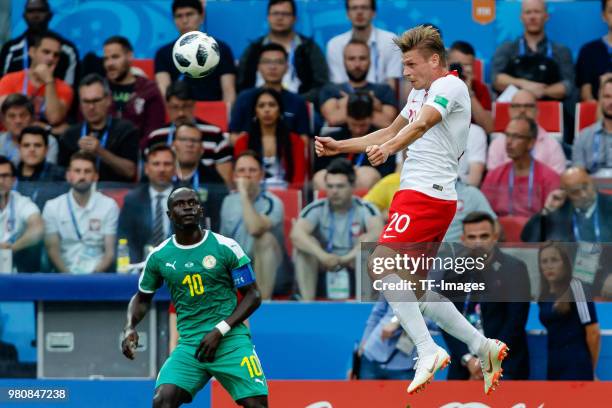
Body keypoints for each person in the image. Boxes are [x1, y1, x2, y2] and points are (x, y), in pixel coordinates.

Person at [315, 25, 508, 395]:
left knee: (380, 264)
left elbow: (423, 125)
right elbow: (389, 130)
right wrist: (340, 147)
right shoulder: (421, 92)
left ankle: (427, 349)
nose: (405, 71)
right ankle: (482, 346)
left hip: (424, 195)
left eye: (410, 63)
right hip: (429, 197)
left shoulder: (449, 86)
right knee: (416, 292)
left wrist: (390, 152)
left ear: (434, 60)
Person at [121, 187, 268, 408]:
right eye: (180, 204)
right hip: (190, 345)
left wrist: (220, 330)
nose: (188, 206)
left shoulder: (226, 247)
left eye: (193, 202)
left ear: (200, 210)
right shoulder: (159, 256)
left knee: (257, 405)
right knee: (162, 400)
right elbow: (143, 297)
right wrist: (130, 326)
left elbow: (254, 295)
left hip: (231, 341)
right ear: (170, 214)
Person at [440, 212, 530, 381]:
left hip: (505, 366)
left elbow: (515, 321)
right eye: (472, 237)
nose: (478, 242)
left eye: (484, 236)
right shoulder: (453, 272)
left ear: (495, 237)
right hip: (465, 367)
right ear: (463, 240)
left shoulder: (514, 269)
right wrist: (468, 359)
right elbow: (446, 321)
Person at [291, 158, 383, 300]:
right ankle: (307, 305)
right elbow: (296, 235)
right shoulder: (316, 208)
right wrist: (322, 255)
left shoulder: (366, 208)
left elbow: (378, 233)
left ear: (352, 187)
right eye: (330, 186)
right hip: (322, 267)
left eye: (340, 186)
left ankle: (365, 305)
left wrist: (349, 257)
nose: (334, 191)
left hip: (355, 267)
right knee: (305, 249)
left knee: (367, 246)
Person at [521, 167, 612, 294]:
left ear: (592, 182)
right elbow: (529, 239)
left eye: (586, 186)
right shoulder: (561, 211)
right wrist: (548, 209)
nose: (583, 194)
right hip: (571, 278)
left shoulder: (609, 205)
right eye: (575, 191)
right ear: (566, 193)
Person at [220, 151, 290, 299]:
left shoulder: (273, 202)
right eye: (241, 171)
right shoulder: (228, 202)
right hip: (238, 269)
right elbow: (223, 241)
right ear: (234, 176)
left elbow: (255, 229)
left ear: (262, 175)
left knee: (264, 239)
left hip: (270, 270)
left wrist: (244, 195)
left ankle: (262, 304)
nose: (246, 175)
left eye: (252, 170)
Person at [42, 151, 119, 274]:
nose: (82, 176)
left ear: (95, 176)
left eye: (87, 171)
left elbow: (109, 253)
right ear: (68, 176)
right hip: (63, 273)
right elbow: (53, 251)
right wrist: (69, 277)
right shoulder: (52, 207)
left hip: (98, 274)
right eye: (77, 171)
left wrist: (91, 277)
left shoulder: (109, 205)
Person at [237, 0, 328, 103]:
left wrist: (296, 102)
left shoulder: (309, 48)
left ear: (294, 19)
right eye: (275, 13)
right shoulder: (254, 49)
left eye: (285, 14)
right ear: (268, 17)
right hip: (259, 107)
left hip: (300, 106)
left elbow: (321, 85)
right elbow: (241, 85)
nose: (279, 18)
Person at [147, 81, 233, 187]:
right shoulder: (156, 137)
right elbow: (148, 178)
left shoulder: (215, 135)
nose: (181, 113)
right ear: (167, 107)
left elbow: (223, 185)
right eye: (175, 107)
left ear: (194, 106)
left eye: (186, 107)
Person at [58, 74, 138, 182]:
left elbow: (130, 172)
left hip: (115, 193)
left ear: (108, 100)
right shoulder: (70, 135)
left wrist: (100, 151)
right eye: (86, 101)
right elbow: (61, 176)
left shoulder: (125, 130)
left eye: (96, 101)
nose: (91, 107)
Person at [538, 242, 601, 380]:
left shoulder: (577, 288)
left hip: (577, 368)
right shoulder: (544, 295)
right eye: (544, 261)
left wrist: (591, 369)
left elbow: (593, 332)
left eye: (554, 260)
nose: (549, 266)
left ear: (565, 263)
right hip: (553, 367)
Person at [154, 0, 236, 103]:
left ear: (201, 17)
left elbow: (228, 91)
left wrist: (226, 117)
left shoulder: (221, 49)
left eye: (189, 14)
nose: (184, 21)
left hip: (214, 112)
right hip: (180, 112)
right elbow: (164, 92)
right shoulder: (163, 54)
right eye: (179, 16)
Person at [491, 0, 574, 102]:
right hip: (514, 111)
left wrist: (543, 91)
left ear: (546, 16)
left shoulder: (562, 51)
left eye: (537, 12)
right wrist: (524, 84)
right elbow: (496, 79)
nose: (532, 17)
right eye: (528, 12)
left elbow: (568, 85)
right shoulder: (506, 49)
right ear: (521, 17)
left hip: (550, 111)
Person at [230, 43, 310, 144]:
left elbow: (304, 140)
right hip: (251, 154)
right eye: (267, 62)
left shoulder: (297, 101)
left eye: (279, 62)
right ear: (258, 67)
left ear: (287, 67)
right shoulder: (244, 98)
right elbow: (233, 137)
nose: (272, 67)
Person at [481, 117, 560, 217]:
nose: (509, 142)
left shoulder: (549, 178)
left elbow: (553, 217)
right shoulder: (494, 175)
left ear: (531, 142)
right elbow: (484, 213)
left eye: (516, 136)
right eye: (507, 135)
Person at [315, 92, 392, 190]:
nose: (358, 130)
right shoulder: (332, 138)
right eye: (354, 124)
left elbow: (386, 173)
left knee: (368, 176)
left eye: (363, 125)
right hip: (335, 181)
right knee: (319, 177)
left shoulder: (383, 141)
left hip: (367, 187)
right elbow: (320, 167)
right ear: (346, 117)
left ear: (371, 118)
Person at [233, 88, 306, 188]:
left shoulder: (296, 141)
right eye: (261, 106)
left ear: (280, 110)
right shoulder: (242, 142)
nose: (267, 110)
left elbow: (299, 179)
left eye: (272, 105)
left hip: (287, 194)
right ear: (255, 112)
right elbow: (240, 176)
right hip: (253, 193)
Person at [319, 39, 397, 129]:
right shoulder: (330, 90)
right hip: (340, 141)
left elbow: (387, 122)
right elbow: (333, 118)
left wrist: (345, 103)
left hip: (376, 142)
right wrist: (371, 102)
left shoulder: (384, 90)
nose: (357, 64)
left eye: (362, 58)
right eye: (351, 59)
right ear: (344, 62)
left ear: (370, 61)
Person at [0, 31, 74, 126]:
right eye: (46, 52)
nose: (51, 58)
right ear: (32, 52)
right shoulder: (9, 80)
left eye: (56, 55)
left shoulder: (64, 88)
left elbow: (54, 119)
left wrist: (49, 81)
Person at [326, 0, 402, 92]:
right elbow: (338, 85)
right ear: (347, 14)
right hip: (345, 101)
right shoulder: (335, 45)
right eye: (354, 8)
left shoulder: (391, 40)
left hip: (382, 101)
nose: (359, 12)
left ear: (373, 13)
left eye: (364, 7)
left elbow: (392, 85)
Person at [0, 0, 79, 86]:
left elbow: (71, 90)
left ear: (50, 15)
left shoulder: (67, 50)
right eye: (31, 11)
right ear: (24, 16)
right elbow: (2, 86)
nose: (36, 15)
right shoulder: (10, 49)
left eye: (40, 11)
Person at [118, 144, 175, 264]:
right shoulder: (133, 200)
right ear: (146, 169)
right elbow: (125, 238)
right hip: (141, 267)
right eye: (156, 164)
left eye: (167, 164)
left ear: (175, 169)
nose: (161, 169)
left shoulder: (187, 199)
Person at [103, 36, 165, 145]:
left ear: (130, 56)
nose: (109, 64)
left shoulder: (149, 91)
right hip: (101, 153)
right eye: (106, 59)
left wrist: (131, 153)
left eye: (115, 57)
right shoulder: (99, 89)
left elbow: (154, 133)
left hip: (138, 155)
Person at [487, 89, 566, 174]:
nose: (522, 110)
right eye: (517, 106)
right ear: (509, 110)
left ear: (537, 111)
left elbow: (556, 182)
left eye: (528, 106)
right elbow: (493, 180)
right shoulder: (497, 144)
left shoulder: (552, 145)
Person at [172, 123, 227, 232]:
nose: (189, 144)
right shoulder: (161, 174)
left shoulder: (214, 179)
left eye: (194, 140)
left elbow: (218, 220)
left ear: (202, 149)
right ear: (173, 146)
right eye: (183, 139)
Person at [354, 296, 417, 380]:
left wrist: (397, 321)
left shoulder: (432, 288)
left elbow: (434, 322)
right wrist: (364, 343)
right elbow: (377, 314)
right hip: (372, 355)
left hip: (404, 364)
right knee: (365, 392)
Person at [0, 155, 44, 273]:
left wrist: (12, 248)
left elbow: (38, 230)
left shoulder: (22, 202)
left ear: (14, 180)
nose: (0, 181)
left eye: (5, 176)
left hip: (13, 267)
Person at [0, 93, 58, 166]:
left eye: (23, 115)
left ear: (32, 118)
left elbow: (49, 173)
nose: (18, 121)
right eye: (12, 116)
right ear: (3, 120)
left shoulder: (49, 141)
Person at [448, 41, 493, 134]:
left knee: (477, 133)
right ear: (446, 63)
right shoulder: (435, 83)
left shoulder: (479, 88)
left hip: (469, 136)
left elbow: (489, 128)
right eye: (456, 64)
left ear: (472, 67)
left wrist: (469, 92)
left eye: (466, 65)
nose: (460, 69)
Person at [16, 126, 66, 209]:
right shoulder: (9, 175)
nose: (32, 149)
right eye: (26, 145)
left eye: (37, 145)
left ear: (46, 149)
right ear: (19, 148)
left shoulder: (61, 175)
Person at [573, 77, 612, 175]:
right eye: (607, 96)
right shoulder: (583, 137)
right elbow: (578, 176)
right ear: (600, 99)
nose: (611, 102)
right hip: (592, 189)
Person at [575, 0, 612, 101]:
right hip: (598, 114)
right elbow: (586, 94)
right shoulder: (588, 51)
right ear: (604, 16)